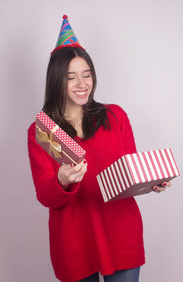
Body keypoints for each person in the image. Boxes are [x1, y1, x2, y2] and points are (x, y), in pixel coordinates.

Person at [27, 15, 171, 282]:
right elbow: (45, 196)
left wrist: (150, 181)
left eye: (87, 74)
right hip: (74, 240)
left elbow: (128, 171)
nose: (82, 84)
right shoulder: (43, 130)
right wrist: (61, 180)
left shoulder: (115, 116)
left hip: (120, 232)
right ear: (56, 80)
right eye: (71, 77)